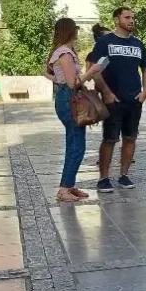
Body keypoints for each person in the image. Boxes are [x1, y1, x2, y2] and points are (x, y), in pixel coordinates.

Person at [89, 7, 146, 193]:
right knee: (109, 139)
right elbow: (95, 69)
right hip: (112, 101)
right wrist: (107, 92)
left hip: (134, 100)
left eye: (133, 17)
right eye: (127, 17)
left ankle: (124, 175)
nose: (131, 20)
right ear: (117, 20)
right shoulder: (105, 42)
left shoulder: (138, 44)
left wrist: (144, 91)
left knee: (130, 138)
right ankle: (103, 178)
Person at [46, 18, 102, 202]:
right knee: (78, 146)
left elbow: (46, 73)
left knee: (73, 144)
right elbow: (73, 82)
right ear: (70, 31)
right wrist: (92, 70)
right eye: (75, 29)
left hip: (65, 98)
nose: (77, 32)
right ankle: (63, 190)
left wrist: (59, 80)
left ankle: (68, 185)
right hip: (70, 99)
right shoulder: (64, 53)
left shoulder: (60, 51)